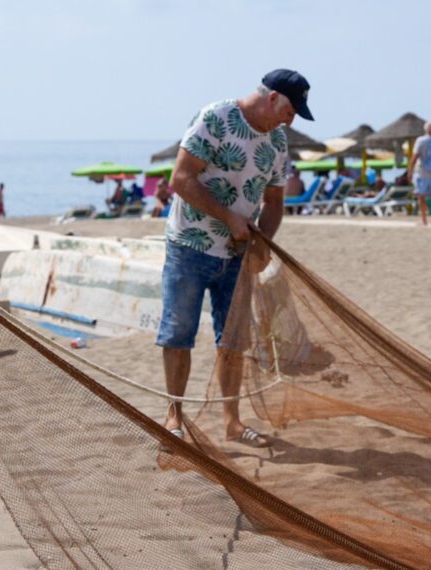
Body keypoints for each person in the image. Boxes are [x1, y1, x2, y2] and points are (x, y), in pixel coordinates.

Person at [160, 68, 313, 448]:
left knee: (233, 341)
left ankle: (232, 422)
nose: (290, 120)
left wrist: (264, 243)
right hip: (189, 247)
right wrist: (229, 217)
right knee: (178, 333)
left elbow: (275, 201)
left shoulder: (278, 142)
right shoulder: (215, 117)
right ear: (273, 97)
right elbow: (180, 179)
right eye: (291, 110)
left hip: (237, 256)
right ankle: (174, 417)